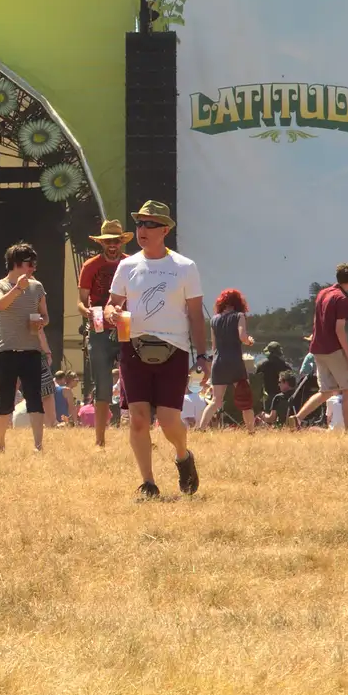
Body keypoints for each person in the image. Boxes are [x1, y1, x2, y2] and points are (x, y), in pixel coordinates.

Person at [103, 201, 207, 500]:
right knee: (137, 418)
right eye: (139, 224)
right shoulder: (127, 265)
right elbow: (114, 302)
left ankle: (183, 455)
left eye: (149, 224)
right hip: (133, 346)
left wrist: (202, 355)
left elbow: (196, 315)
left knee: (168, 419)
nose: (142, 230)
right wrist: (111, 311)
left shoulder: (185, 267)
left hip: (173, 349)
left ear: (165, 229)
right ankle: (148, 483)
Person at [0, 243, 49, 453]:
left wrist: (41, 321)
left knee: (34, 397)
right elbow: (0, 305)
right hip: (6, 351)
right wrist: (18, 288)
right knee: (5, 399)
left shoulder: (37, 287)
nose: (33, 268)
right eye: (29, 264)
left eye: (34, 264)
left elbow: (45, 315)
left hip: (31, 350)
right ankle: (0, 445)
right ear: (16, 264)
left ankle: (38, 446)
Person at [77, 220, 131, 447]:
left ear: (121, 242)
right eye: (108, 241)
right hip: (99, 325)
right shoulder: (91, 265)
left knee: (135, 382)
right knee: (102, 384)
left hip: (125, 324)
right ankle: (100, 440)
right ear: (102, 243)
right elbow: (80, 302)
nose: (112, 245)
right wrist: (87, 311)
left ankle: (139, 435)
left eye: (116, 241)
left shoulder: (131, 264)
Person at [295, 264, 348, 432]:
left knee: (326, 391)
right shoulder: (342, 299)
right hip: (333, 350)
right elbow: (339, 330)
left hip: (317, 348)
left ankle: (296, 419)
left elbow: (317, 321)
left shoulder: (323, 293)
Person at [198, 290, 252, 433]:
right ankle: (251, 431)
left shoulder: (214, 320)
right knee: (245, 399)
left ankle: (201, 428)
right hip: (235, 362)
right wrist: (249, 341)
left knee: (216, 401)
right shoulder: (239, 316)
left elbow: (214, 346)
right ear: (238, 303)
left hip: (218, 362)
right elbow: (242, 336)